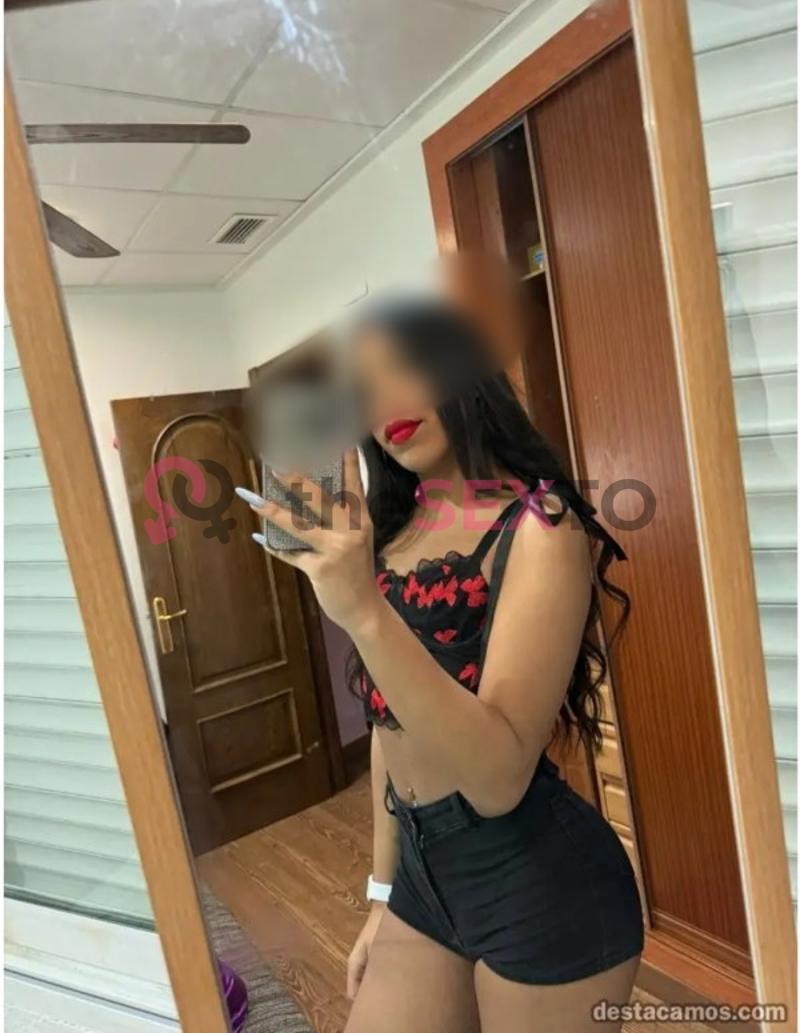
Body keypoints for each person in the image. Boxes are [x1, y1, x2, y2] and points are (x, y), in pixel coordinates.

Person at [239, 296, 644, 1033]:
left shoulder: (540, 527)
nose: (385, 402)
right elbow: (390, 730)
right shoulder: (390, 536)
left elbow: (498, 780)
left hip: (541, 884)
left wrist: (364, 611)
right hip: (423, 879)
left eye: (407, 367)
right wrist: (381, 895)